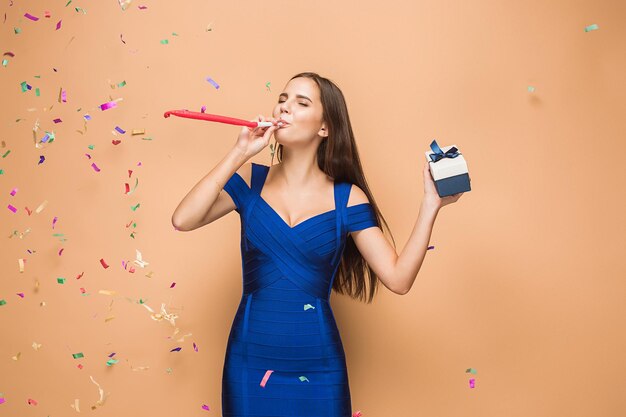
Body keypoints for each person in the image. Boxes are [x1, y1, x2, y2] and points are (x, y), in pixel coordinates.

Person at [171, 72, 463, 416]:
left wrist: (431, 205)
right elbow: (183, 219)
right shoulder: (251, 180)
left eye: (301, 102)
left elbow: (398, 279)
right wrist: (239, 153)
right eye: (282, 99)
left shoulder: (347, 199)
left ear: (324, 128)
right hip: (249, 361)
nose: (285, 108)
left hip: (319, 366)